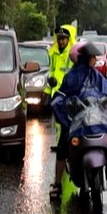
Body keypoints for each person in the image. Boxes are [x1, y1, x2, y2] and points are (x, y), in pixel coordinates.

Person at [50, 42, 107, 199]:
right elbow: (60, 96)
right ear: (86, 58)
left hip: (95, 119)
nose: (95, 60)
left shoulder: (96, 75)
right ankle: (57, 184)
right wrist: (63, 107)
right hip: (75, 122)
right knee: (62, 148)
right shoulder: (72, 77)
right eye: (93, 57)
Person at [45, 25, 77, 197]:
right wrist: (47, 93)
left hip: (72, 100)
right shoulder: (55, 53)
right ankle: (59, 179)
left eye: (64, 38)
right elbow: (52, 72)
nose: (61, 41)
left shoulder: (74, 55)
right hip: (58, 98)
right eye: (59, 38)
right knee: (62, 137)